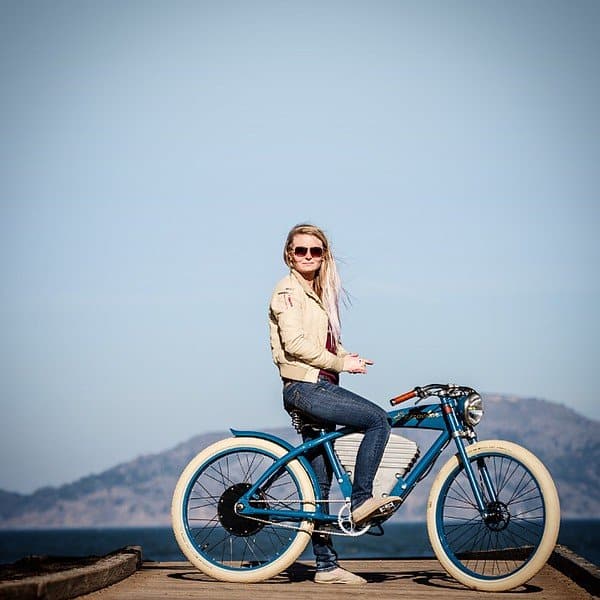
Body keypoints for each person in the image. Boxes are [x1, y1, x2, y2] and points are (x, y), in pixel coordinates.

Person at [268, 223, 401, 585]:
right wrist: (342, 364)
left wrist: (345, 355)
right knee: (377, 420)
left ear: (324, 255)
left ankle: (326, 567)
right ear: (289, 255)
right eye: (301, 250)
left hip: (318, 385)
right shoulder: (287, 292)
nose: (308, 256)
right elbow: (295, 344)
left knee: (319, 488)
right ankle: (361, 501)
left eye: (315, 250)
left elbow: (322, 344)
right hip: (305, 387)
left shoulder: (317, 294)